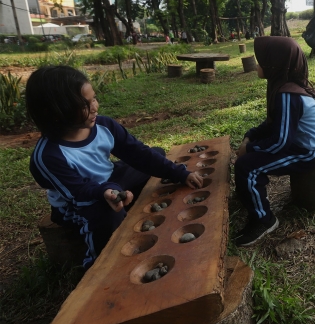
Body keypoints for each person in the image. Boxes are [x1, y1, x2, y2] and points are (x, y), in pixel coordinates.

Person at [26, 66, 203, 269]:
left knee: (154, 155)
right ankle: (96, 265)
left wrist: (179, 173)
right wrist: (105, 192)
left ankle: (122, 199)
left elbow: (137, 153)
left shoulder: (104, 126)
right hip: (78, 201)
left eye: (93, 98)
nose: (94, 107)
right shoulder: (48, 156)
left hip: (111, 180)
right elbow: (78, 191)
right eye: (84, 104)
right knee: (106, 214)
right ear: (56, 113)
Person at [233, 37, 315, 247]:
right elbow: (273, 124)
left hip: (307, 152)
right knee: (249, 160)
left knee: (247, 167)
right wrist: (251, 135)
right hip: (296, 145)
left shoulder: (288, 94)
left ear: (275, 65)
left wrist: (249, 149)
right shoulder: (284, 88)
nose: (258, 65)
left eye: (262, 61)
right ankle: (249, 197)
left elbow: (280, 142)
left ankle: (264, 220)